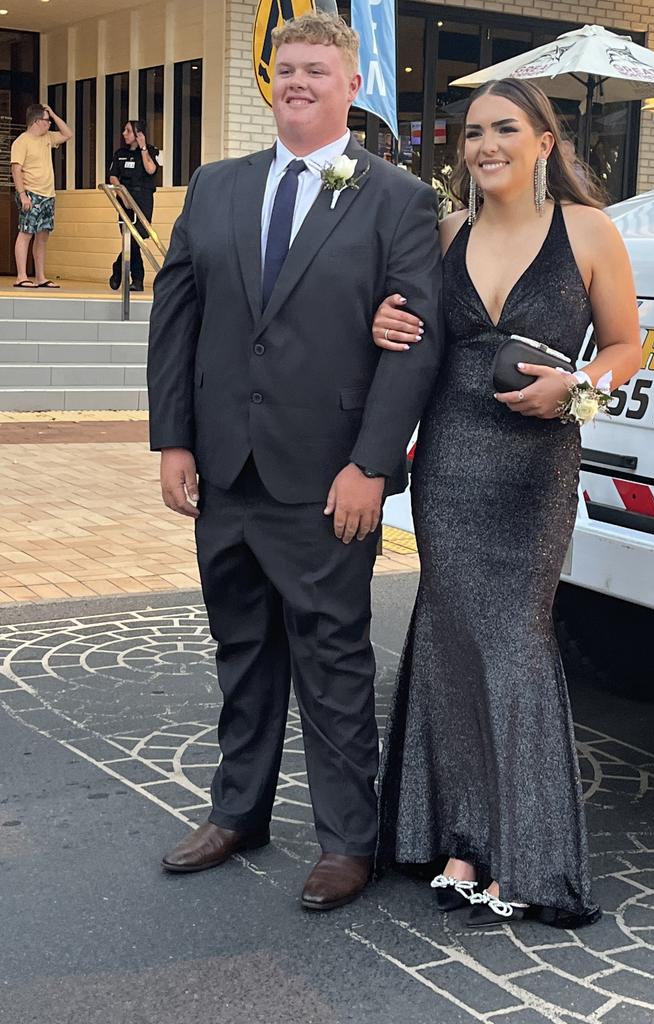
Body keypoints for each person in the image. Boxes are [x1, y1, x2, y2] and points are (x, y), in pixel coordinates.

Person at [146, 11, 442, 911]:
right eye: (287, 69)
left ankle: (349, 840)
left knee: (333, 658)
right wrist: (174, 439)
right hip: (226, 472)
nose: (299, 82)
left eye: (318, 69)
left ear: (353, 86)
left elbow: (415, 343)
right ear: (270, 81)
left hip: (327, 479)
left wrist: (370, 466)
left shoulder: (397, 198)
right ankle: (238, 812)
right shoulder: (217, 186)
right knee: (242, 651)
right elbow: (178, 314)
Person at [372, 78, 642, 928]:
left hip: (535, 468)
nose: (485, 143)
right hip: (450, 461)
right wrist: (384, 319)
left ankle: (527, 851)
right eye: (472, 131)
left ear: (544, 142)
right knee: (451, 639)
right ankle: (460, 835)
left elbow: (630, 345)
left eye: (505, 129)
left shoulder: (590, 231)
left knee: (516, 640)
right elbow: (413, 334)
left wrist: (579, 385)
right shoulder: (449, 231)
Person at [10, 103, 72, 289]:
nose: (49, 124)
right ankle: (21, 276)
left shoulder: (48, 138)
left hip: (48, 194)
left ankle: (40, 276)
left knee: (43, 236)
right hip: (30, 192)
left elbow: (68, 134)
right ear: (36, 121)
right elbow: (16, 169)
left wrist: (52, 112)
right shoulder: (22, 141)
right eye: (47, 121)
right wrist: (23, 195)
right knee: (26, 232)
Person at [108, 120, 160, 293]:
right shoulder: (120, 153)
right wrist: (123, 197)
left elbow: (151, 169)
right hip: (125, 198)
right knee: (130, 238)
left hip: (143, 198)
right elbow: (113, 177)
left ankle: (118, 267)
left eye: (128, 131)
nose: (124, 133)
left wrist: (143, 148)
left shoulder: (151, 151)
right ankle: (137, 279)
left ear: (139, 134)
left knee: (138, 236)